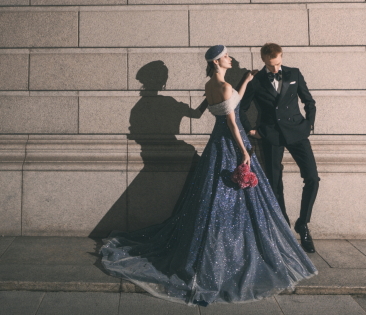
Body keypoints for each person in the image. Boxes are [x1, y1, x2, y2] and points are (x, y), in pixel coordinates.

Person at [99, 45, 317, 305]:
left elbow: (221, 106)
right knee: (230, 196)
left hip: (216, 144)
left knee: (211, 196)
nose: (231, 58)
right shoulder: (223, 88)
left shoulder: (211, 86)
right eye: (226, 56)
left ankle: (219, 241)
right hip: (229, 143)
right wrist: (244, 151)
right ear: (217, 62)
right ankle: (228, 248)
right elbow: (232, 122)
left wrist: (245, 81)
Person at [240, 43, 319, 253]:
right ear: (264, 61)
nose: (276, 69)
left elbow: (309, 101)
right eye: (271, 65)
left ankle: (303, 224)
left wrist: (309, 125)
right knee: (275, 183)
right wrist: (251, 131)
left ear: (282, 57)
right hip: (271, 135)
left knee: (312, 177)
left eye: (278, 64)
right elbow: (241, 109)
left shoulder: (294, 73)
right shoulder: (256, 81)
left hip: (297, 132)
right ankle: (283, 227)